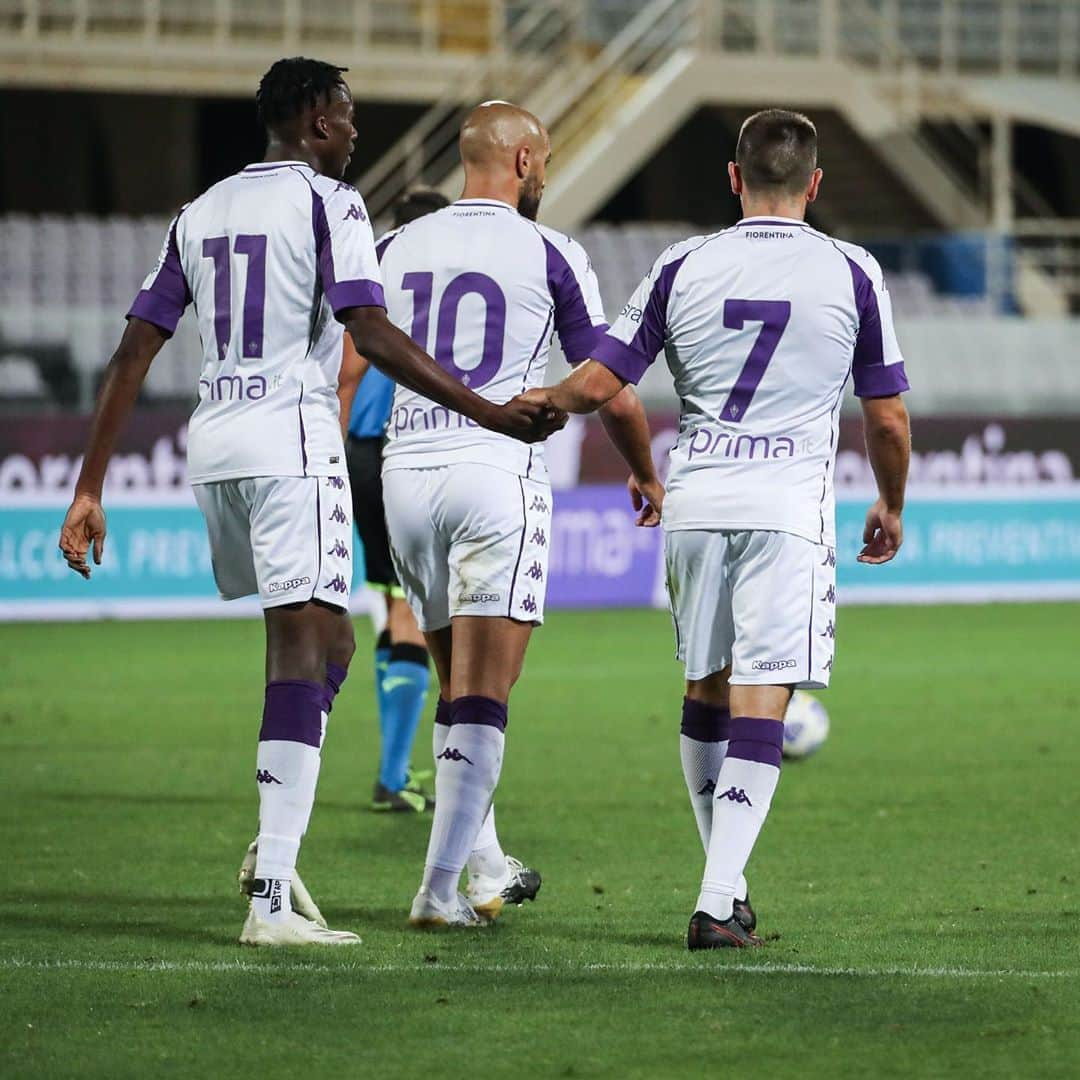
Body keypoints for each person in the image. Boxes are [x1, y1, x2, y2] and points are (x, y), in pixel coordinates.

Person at [57, 58, 562, 948]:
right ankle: (270, 893)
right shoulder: (333, 204)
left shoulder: (199, 211)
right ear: (318, 121)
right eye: (349, 113)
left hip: (215, 444)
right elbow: (369, 330)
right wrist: (488, 409)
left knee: (329, 639)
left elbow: (133, 352)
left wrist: (90, 483)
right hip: (293, 442)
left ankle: (278, 854)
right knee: (300, 647)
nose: (358, 129)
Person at [528, 108, 911, 948]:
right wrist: (891, 502)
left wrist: (545, 401)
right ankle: (714, 898)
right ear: (814, 184)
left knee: (706, 686)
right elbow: (885, 418)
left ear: (734, 179)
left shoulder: (682, 264)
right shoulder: (851, 270)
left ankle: (724, 887)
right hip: (786, 507)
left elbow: (602, 381)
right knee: (762, 694)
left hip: (696, 498)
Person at [378, 101, 663, 927]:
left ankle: (486, 868)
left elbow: (353, 352)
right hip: (495, 472)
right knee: (484, 696)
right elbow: (606, 385)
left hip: (407, 474)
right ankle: (436, 892)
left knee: (453, 686)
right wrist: (644, 471)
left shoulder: (392, 246)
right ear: (528, 161)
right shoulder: (551, 252)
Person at [337, 189, 450, 815]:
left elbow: (346, 375)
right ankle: (391, 775)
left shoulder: (375, 279)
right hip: (404, 454)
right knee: (413, 611)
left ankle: (394, 765)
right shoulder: (446, 284)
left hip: (358, 451)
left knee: (388, 600)